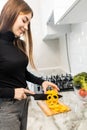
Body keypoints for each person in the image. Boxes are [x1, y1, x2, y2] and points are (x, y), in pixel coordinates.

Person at [0, 0, 59, 130]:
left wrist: (41, 82)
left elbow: (22, 72)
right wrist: (12, 93)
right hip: (5, 109)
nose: (26, 28)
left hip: (23, 102)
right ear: (11, 13)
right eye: (24, 20)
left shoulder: (17, 43)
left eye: (28, 23)